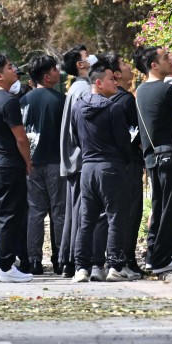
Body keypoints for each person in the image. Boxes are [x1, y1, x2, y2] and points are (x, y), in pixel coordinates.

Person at [70, 64, 134, 282]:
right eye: (110, 79)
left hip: (87, 167)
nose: (115, 83)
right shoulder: (112, 108)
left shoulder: (77, 107)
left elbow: (76, 138)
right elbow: (124, 142)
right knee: (116, 216)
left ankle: (81, 268)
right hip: (110, 166)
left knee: (86, 218)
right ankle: (115, 266)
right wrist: (124, 161)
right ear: (98, 82)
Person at [133, 45, 172, 274]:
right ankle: (162, 258)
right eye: (165, 57)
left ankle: (152, 255)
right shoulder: (168, 90)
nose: (170, 60)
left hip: (152, 156)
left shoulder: (139, 91)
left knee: (159, 206)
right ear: (154, 65)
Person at [0, 54, 34, 283]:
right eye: (11, 67)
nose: (15, 70)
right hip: (9, 165)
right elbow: (21, 138)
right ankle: (6, 265)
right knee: (10, 216)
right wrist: (28, 162)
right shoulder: (8, 101)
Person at [19, 54, 66, 275]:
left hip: (31, 162)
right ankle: (60, 259)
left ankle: (34, 261)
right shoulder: (61, 101)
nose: (59, 72)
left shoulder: (23, 102)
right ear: (47, 77)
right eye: (55, 70)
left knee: (35, 213)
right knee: (59, 212)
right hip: (57, 162)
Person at [100, 52, 145, 277]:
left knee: (111, 215)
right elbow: (137, 134)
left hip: (105, 164)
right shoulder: (126, 100)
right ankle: (126, 260)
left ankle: (112, 259)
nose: (130, 67)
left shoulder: (101, 99)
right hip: (128, 164)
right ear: (116, 74)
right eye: (125, 64)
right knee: (130, 213)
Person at [57, 44, 93, 277]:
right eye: (86, 56)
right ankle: (74, 259)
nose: (90, 58)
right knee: (81, 211)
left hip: (73, 158)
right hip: (81, 159)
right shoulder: (84, 89)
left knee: (74, 211)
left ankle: (68, 259)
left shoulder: (75, 88)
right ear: (80, 65)